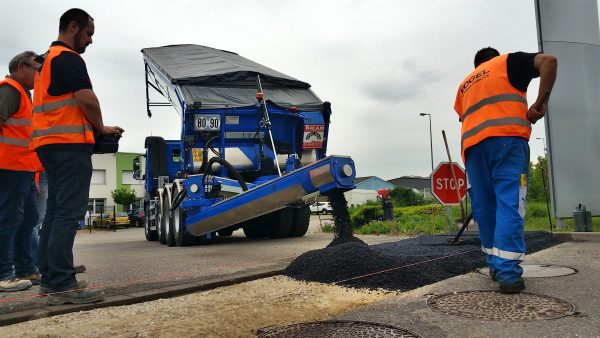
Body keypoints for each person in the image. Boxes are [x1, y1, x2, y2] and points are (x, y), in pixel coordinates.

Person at [31, 8, 124, 305]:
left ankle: (51, 280)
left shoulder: (44, 63)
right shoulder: (68, 58)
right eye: (88, 34)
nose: (90, 41)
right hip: (68, 146)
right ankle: (62, 286)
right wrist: (101, 128)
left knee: (56, 213)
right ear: (73, 27)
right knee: (68, 214)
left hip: (49, 144)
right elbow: (86, 98)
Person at [454, 47, 557, 293]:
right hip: (507, 142)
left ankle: (495, 265)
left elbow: (464, 117)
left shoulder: (464, 84)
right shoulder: (506, 62)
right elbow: (549, 62)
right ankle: (508, 275)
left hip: (473, 149)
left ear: (476, 65)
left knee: (485, 209)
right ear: (493, 58)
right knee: (511, 203)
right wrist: (540, 103)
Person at [0, 51, 43, 292]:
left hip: (23, 170)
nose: (38, 75)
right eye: (36, 69)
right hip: (8, 168)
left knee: (27, 221)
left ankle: (25, 269)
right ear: (20, 68)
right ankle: (4, 274)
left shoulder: (24, 96)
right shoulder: (9, 90)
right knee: (8, 221)